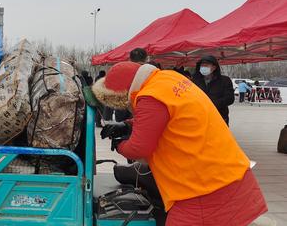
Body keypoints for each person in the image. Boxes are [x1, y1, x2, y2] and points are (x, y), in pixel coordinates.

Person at [92, 61, 267, 225]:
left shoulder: (150, 97)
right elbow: (165, 117)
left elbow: (139, 149)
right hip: (226, 176)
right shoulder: (168, 79)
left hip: (204, 191)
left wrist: (119, 144)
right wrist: (127, 125)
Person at [192, 55, 234, 125]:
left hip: (219, 116)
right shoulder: (195, 81)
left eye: (206, 65)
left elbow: (230, 98)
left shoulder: (225, 80)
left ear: (214, 67)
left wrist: (211, 104)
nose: (203, 67)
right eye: (202, 65)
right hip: (199, 116)